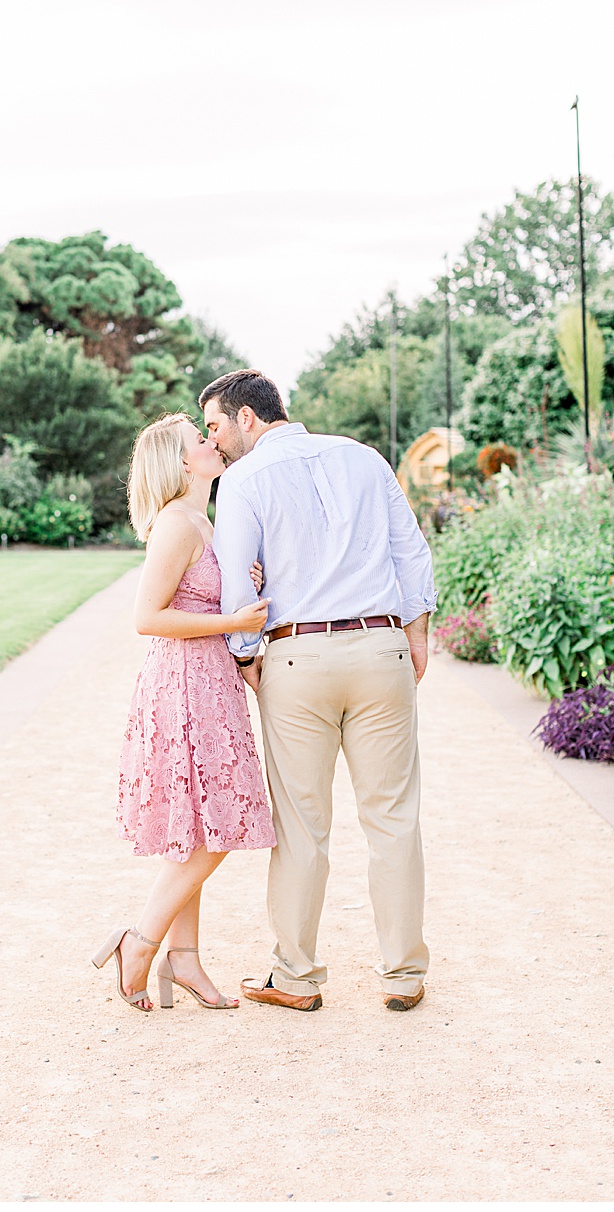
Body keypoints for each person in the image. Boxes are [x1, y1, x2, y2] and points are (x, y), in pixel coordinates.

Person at [202, 369, 437, 1013]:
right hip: (380, 645)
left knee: (301, 826)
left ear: (248, 417)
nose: (213, 441)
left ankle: (296, 977)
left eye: (216, 426)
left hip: (297, 655)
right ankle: (403, 974)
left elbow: (234, 581)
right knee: (392, 817)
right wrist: (416, 633)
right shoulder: (364, 458)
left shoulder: (243, 480)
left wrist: (247, 655)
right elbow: (411, 554)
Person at [93, 413, 275, 1013]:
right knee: (220, 828)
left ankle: (186, 959)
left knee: (194, 827)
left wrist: (246, 583)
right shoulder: (175, 524)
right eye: (200, 440)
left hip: (210, 682)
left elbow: (210, 592)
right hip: (184, 687)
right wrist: (233, 620)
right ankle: (141, 942)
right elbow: (147, 617)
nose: (212, 442)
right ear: (179, 461)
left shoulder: (204, 519)